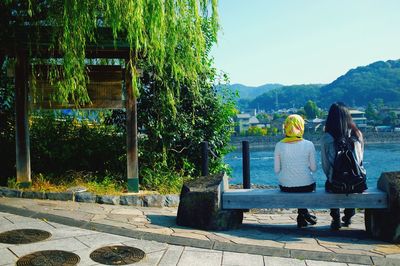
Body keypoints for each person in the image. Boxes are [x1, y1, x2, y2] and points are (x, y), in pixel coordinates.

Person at [321, 102, 364, 230]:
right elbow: (360, 161)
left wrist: (331, 176)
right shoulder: (357, 134)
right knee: (351, 181)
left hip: (336, 184)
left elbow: (325, 165)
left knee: (330, 182)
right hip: (357, 183)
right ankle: (349, 215)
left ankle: (336, 218)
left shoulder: (327, 138)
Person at [274, 114, 317, 228]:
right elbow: (314, 169)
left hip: (286, 186)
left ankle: (302, 215)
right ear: (301, 127)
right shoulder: (309, 144)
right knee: (302, 185)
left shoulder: (279, 145)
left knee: (294, 184)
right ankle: (303, 214)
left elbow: (277, 170)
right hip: (307, 186)